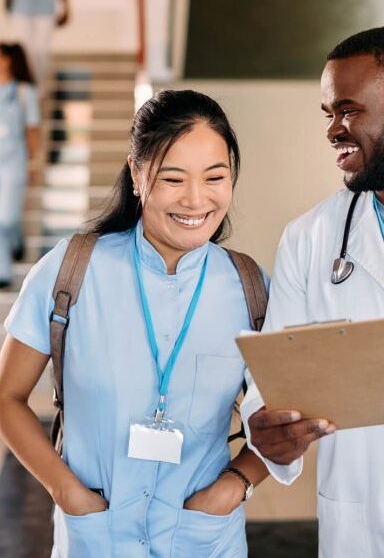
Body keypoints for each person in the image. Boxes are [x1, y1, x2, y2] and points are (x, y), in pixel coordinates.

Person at [0, 90, 268, 558]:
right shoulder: (71, 270)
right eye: (173, 178)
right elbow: (7, 396)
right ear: (137, 175)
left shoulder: (251, 288)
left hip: (204, 540)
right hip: (95, 537)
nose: (196, 199)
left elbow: (292, 412)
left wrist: (236, 485)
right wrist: (65, 491)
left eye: (215, 177)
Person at [242, 26, 384, 558]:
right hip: (363, 533)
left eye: (347, 110)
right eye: (327, 113)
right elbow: (273, 386)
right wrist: (269, 432)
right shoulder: (311, 238)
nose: (332, 130)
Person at [0, 42, 40, 286]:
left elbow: (32, 131)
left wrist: (34, 162)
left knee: (7, 217)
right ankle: (3, 271)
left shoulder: (25, 92)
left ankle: (15, 239)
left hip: (15, 158)